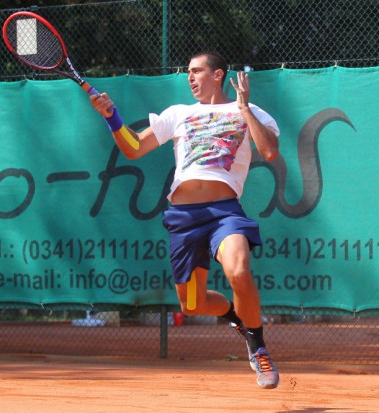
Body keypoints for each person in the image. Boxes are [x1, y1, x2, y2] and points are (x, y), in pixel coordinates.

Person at [90, 51, 280, 389]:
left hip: (225, 212)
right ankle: (237, 318)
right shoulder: (178, 114)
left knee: (239, 271)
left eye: (196, 71)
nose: (190, 78)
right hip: (183, 218)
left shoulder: (247, 111)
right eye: (187, 73)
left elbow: (269, 152)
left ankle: (257, 346)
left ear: (218, 74)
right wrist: (112, 117)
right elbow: (133, 147)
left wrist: (245, 109)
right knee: (193, 305)